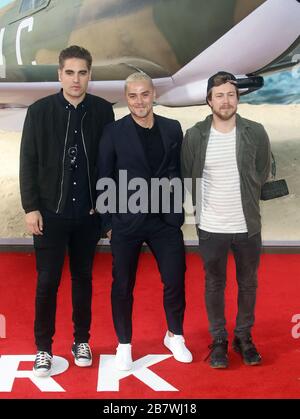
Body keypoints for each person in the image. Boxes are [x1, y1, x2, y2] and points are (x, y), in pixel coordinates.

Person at [19, 45, 114, 377]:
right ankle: (43, 348)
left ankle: (81, 340)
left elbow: (108, 164)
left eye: (83, 72)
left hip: (87, 216)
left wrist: (105, 208)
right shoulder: (39, 111)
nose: (76, 79)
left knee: (83, 279)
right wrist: (31, 207)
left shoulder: (103, 111)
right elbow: (28, 162)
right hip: (50, 214)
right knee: (47, 282)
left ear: (90, 75)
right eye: (70, 72)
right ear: (59, 75)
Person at [97, 72, 192, 370]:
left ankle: (174, 334)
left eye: (145, 94)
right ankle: (124, 343)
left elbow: (179, 169)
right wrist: (108, 224)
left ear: (154, 95)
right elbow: (104, 176)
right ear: (127, 98)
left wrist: (176, 202)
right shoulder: (113, 132)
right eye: (133, 96)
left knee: (175, 279)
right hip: (126, 221)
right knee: (123, 285)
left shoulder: (172, 128)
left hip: (165, 220)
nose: (139, 101)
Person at [181, 71, 271, 369]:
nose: (225, 100)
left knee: (248, 284)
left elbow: (260, 170)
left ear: (238, 98)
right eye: (219, 95)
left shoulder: (255, 132)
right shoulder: (194, 135)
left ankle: (243, 336)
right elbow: (187, 176)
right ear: (209, 100)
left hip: (247, 225)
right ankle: (219, 338)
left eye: (230, 94)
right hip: (211, 227)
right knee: (214, 284)